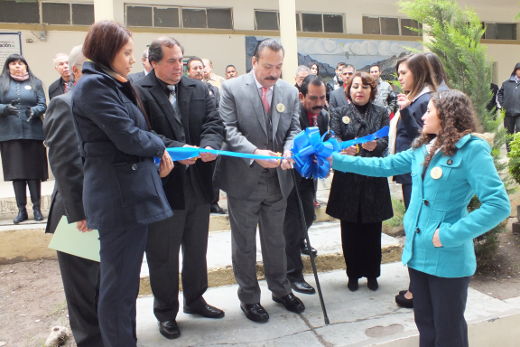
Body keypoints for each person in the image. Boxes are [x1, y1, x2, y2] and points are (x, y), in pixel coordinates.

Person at [329, 89, 510, 347]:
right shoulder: (425, 149)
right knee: (426, 326)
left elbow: (498, 205)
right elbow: (382, 166)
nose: (422, 116)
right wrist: (333, 160)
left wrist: (449, 235)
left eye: (428, 111)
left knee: (449, 333)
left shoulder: (471, 150)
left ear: (447, 115)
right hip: (418, 254)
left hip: (447, 257)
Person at [72, 21, 173, 347]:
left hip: (131, 198)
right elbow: (128, 137)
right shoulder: (93, 87)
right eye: (127, 53)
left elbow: (136, 132)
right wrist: (159, 146)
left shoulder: (113, 83)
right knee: (117, 286)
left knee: (126, 283)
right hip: (119, 201)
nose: (132, 59)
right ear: (107, 51)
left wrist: (157, 143)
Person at [136, 37, 225, 340]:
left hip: (198, 184)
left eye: (180, 60)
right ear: (153, 62)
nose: (178, 67)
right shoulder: (139, 91)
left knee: (197, 248)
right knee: (163, 253)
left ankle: (195, 299)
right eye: (171, 61)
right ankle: (165, 312)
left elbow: (214, 122)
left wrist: (210, 144)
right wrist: (178, 149)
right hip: (164, 185)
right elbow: (141, 133)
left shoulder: (197, 88)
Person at [214, 38, 304, 323]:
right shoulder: (231, 89)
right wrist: (254, 153)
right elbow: (227, 129)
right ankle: (249, 298)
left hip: (278, 180)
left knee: (276, 240)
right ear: (254, 62)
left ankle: (280, 289)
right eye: (268, 66)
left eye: (278, 67)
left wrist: (290, 149)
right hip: (244, 179)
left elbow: (294, 128)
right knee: (244, 244)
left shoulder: (289, 92)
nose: (274, 73)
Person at [43, 45, 103, 347]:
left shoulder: (105, 105)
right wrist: (82, 214)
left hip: (104, 212)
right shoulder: (64, 104)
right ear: (77, 71)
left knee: (104, 287)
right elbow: (66, 165)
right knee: (84, 292)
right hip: (76, 213)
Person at [326, 71, 392, 291]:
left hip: (373, 176)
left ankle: (372, 274)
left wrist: (377, 145)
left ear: (371, 90)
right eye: (355, 86)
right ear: (348, 90)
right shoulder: (338, 112)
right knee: (350, 229)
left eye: (364, 86)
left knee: (373, 230)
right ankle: (352, 274)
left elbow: (385, 139)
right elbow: (333, 136)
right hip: (348, 178)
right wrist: (343, 147)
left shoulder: (382, 112)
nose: (359, 91)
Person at [391, 53, 437, 309]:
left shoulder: (425, 100)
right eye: (398, 74)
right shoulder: (417, 99)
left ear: (418, 73)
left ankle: (415, 291)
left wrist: (405, 111)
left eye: (404, 73)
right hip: (410, 174)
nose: (400, 78)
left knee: (416, 230)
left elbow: (420, 136)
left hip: (417, 174)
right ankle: (417, 286)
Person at [284, 74, 329, 295]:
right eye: (314, 98)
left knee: (308, 216)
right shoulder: (292, 116)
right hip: (289, 175)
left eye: (322, 98)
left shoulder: (323, 116)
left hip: (310, 177)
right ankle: (292, 273)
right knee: (292, 224)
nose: (319, 103)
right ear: (301, 96)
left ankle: (299, 242)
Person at [0, 54, 47, 224]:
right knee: (17, 174)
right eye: (13, 63)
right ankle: (21, 210)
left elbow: (43, 104)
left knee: (34, 173)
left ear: (26, 66)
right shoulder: (1, 83)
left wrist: (35, 111)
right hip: (10, 135)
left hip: (33, 133)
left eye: (20, 63)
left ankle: (37, 208)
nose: (17, 66)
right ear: (8, 66)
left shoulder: (35, 83)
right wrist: (5, 108)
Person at [497, 62, 520, 149]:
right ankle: (510, 153)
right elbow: (499, 94)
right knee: (508, 133)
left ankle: (517, 152)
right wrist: (503, 106)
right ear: (515, 71)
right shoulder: (506, 83)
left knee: (519, 132)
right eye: (518, 70)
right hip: (508, 112)